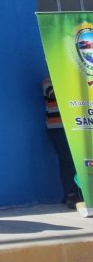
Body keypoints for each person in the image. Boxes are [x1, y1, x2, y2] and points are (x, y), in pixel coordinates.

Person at [43, 77, 80, 208]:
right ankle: (71, 195)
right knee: (68, 160)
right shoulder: (48, 81)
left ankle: (81, 193)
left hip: (78, 126)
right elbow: (55, 93)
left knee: (82, 161)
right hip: (58, 128)